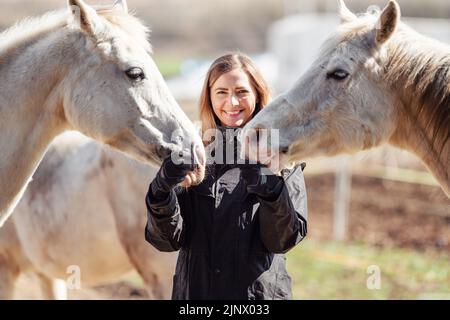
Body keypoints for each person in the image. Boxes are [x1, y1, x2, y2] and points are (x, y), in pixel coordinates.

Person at [145, 53, 307, 300]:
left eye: (241, 91)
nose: (232, 102)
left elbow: (282, 240)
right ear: (209, 97)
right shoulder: (193, 154)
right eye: (221, 92)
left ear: (258, 94)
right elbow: (168, 241)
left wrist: (270, 187)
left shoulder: (280, 156)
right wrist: (161, 193)